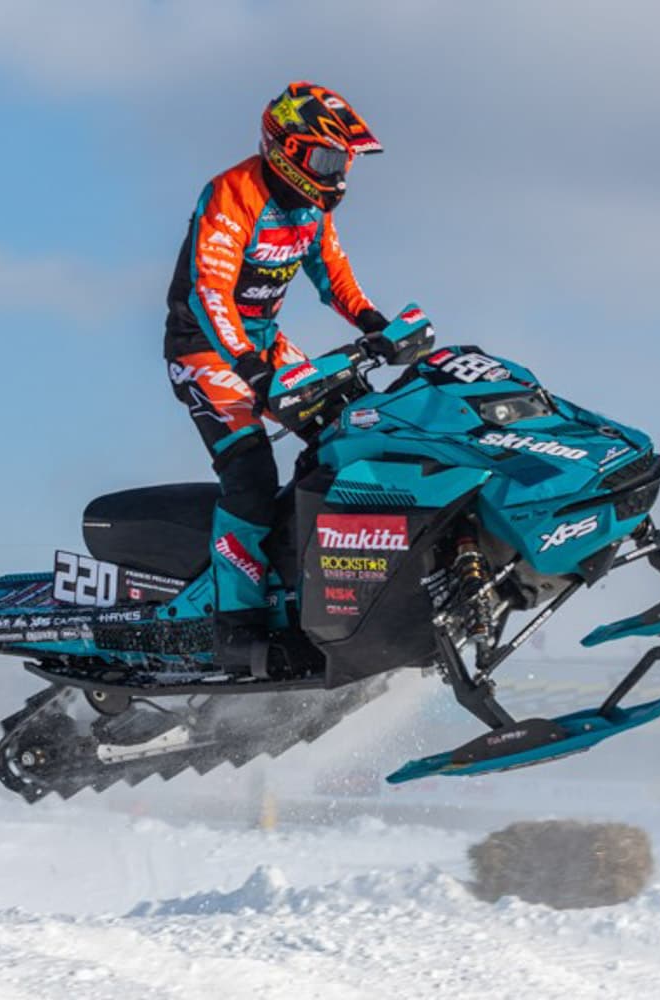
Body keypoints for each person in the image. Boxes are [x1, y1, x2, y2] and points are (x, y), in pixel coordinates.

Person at [163, 81, 396, 671]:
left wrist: (376, 322)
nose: (336, 174)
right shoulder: (231, 194)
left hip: (263, 346)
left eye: (341, 162)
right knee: (249, 473)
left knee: (354, 429)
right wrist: (248, 369)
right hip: (206, 350)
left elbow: (333, 274)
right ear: (285, 149)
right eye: (325, 159)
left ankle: (320, 585)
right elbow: (208, 291)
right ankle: (236, 625)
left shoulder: (309, 210)